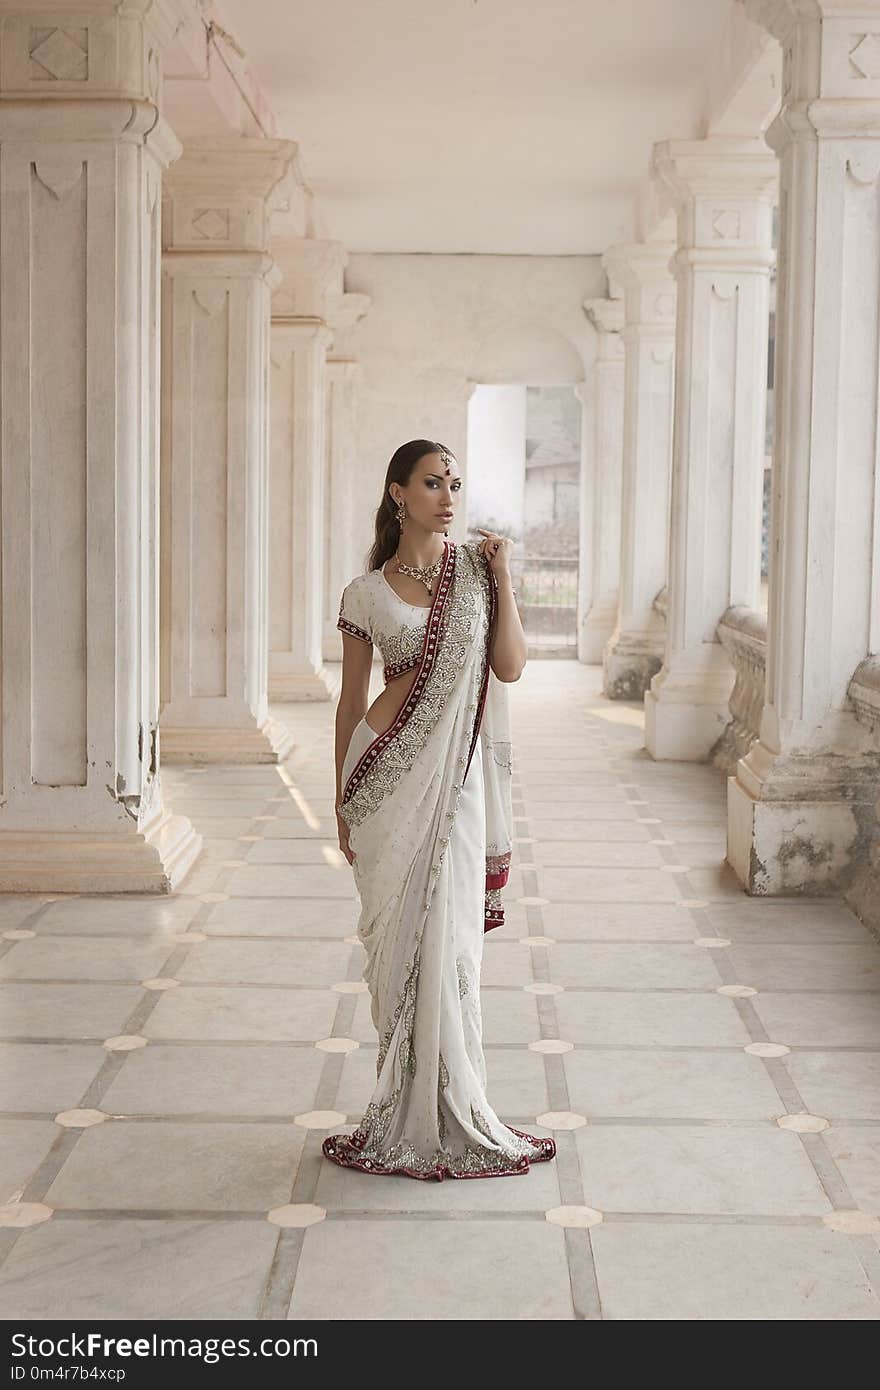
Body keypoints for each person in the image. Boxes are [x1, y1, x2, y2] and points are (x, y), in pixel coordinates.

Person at [322, 439, 557, 1180]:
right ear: (399, 493)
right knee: (394, 951)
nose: (448, 494)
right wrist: (340, 798)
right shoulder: (366, 592)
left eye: (454, 482)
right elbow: (351, 700)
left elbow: (510, 667)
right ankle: (403, 1105)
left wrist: (506, 578)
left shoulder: (477, 581)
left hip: (453, 789)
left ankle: (453, 1105)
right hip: (384, 781)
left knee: (451, 943)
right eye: (432, 482)